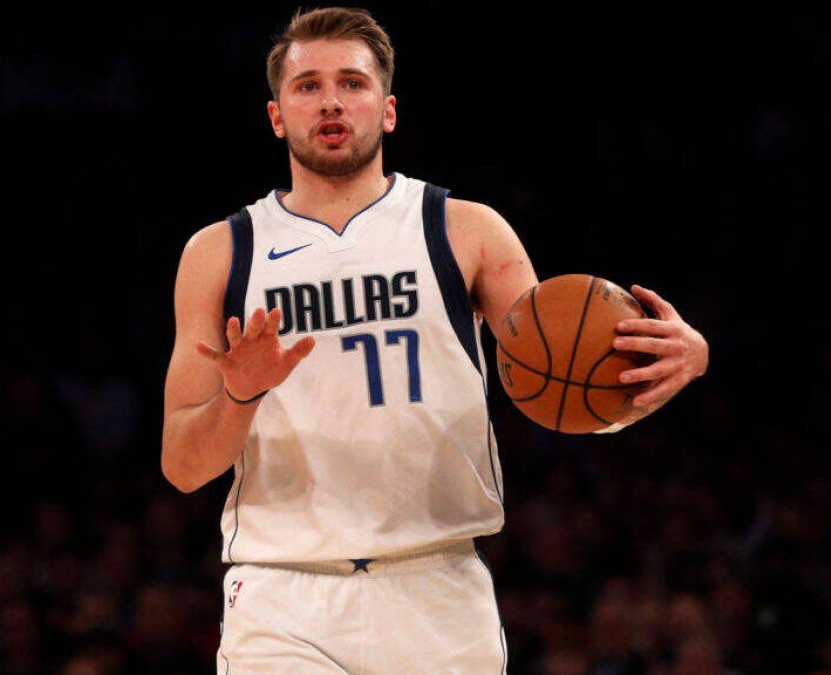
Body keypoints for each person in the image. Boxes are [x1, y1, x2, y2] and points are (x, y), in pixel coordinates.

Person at [160, 7, 709, 673]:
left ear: (388, 110)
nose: (331, 100)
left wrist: (671, 370)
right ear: (277, 116)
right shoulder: (220, 252)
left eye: (352, 83)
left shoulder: (466, 230)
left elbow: (563, 392)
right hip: (282, 593)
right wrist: (240, 395)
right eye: (307, 86)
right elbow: (183, 466)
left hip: (437, 585)